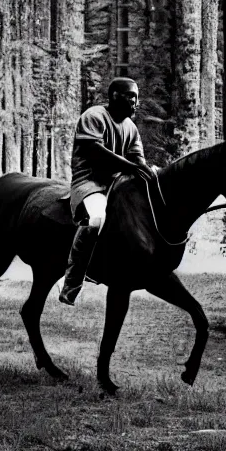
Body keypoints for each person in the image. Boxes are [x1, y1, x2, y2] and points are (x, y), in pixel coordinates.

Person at [59, 77, 155, 306]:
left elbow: (137, 160)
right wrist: (130, 167)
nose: (136, 103)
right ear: (115, 96)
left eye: (137, 98)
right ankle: (70, 283)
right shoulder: (93, 116)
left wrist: (150, 172)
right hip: (90, 183)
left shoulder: (131, 128)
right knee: (96, 219)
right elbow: (94, 152)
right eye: (132, 97)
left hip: (118, 185)